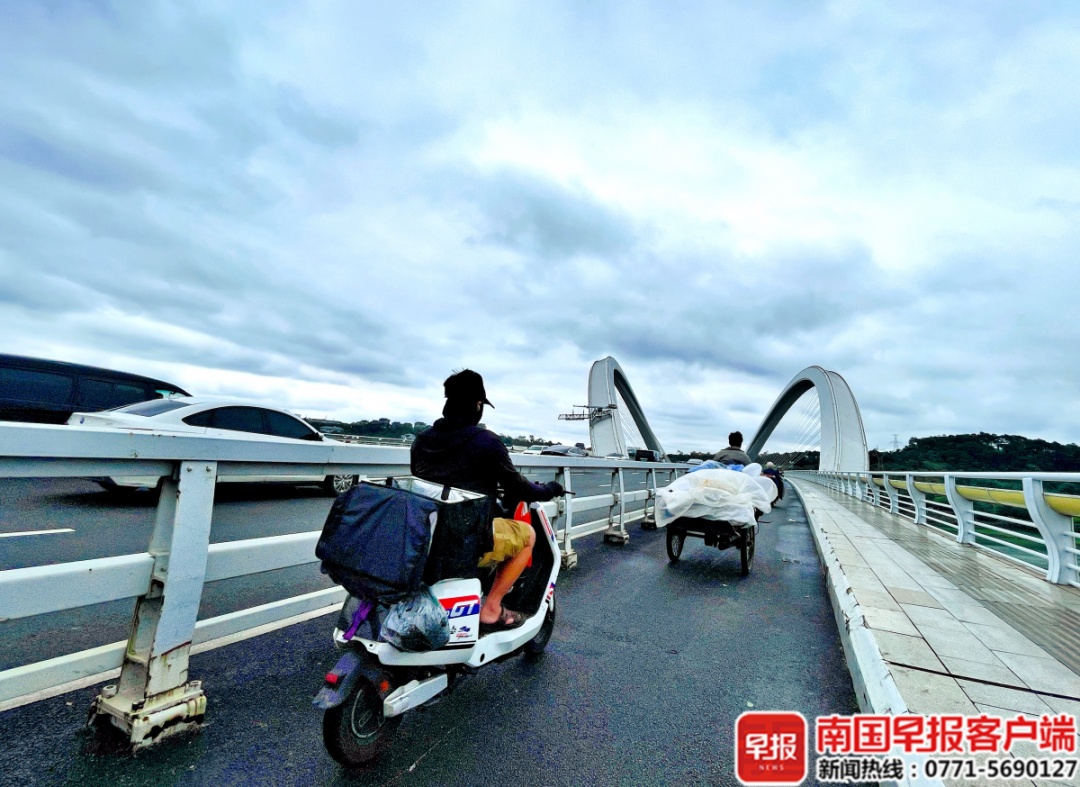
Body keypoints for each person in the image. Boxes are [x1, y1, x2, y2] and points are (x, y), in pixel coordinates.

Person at [411, 369, 563, 633]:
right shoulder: (486, 441)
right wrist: (550, 489)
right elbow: (518, 487)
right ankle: (492, 608)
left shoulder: (422, 440)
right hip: (461, 540)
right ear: (478, 404)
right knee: (527, 536)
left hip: (422, 534)